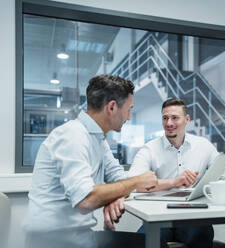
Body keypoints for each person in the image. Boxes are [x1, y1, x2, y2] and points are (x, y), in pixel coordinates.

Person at [23, 74, 158, 248]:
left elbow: (119, 179)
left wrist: (114, 196)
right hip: (55, 242)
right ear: (112, 107)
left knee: (152, 242)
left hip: (79, 237)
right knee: (152, 243)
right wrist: (135, 182)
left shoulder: (98, 139)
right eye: (129, 109)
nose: (129, 117)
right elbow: (85, 201)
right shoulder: (73, 136)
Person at [128, 98, 225, 248]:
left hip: (192, 216)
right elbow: (131, 183)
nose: (169, 123)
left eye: (174, 118)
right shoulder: (149, 149)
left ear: (187, 119)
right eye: (165, 118)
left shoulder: (203, 145)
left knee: (201, 232)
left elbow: (224, 174)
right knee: (142, 241)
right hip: (159, 216)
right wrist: (172, 182)